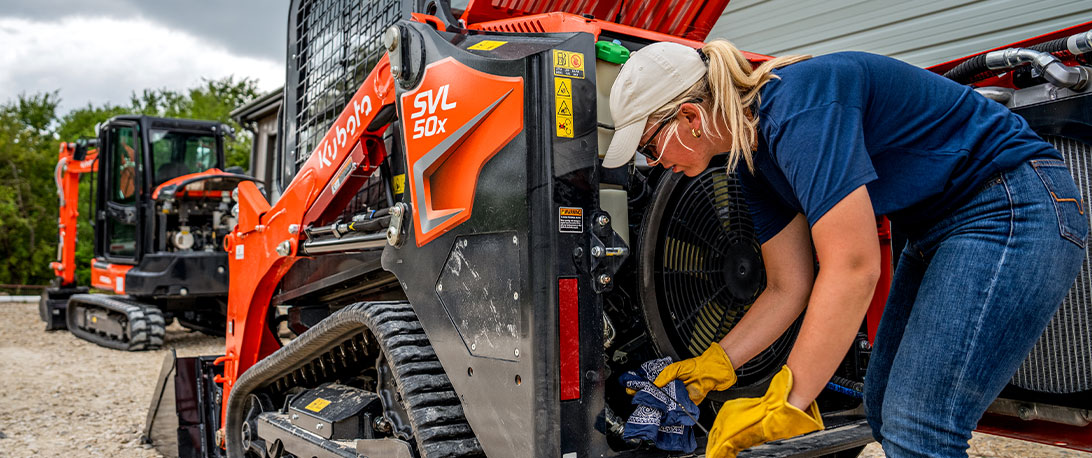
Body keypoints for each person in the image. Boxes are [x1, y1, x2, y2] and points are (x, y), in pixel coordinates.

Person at [602, 41, 1087, 458]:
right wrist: (714, 366)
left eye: (650, 147)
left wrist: (786, 402)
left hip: (1010, 203)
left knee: (918, 424)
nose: (654, 163)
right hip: (938, 226)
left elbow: (853, 267)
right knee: (884, 410)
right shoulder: (748, 162)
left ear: (689, 116)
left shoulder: (797, 105)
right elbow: (786, 286)